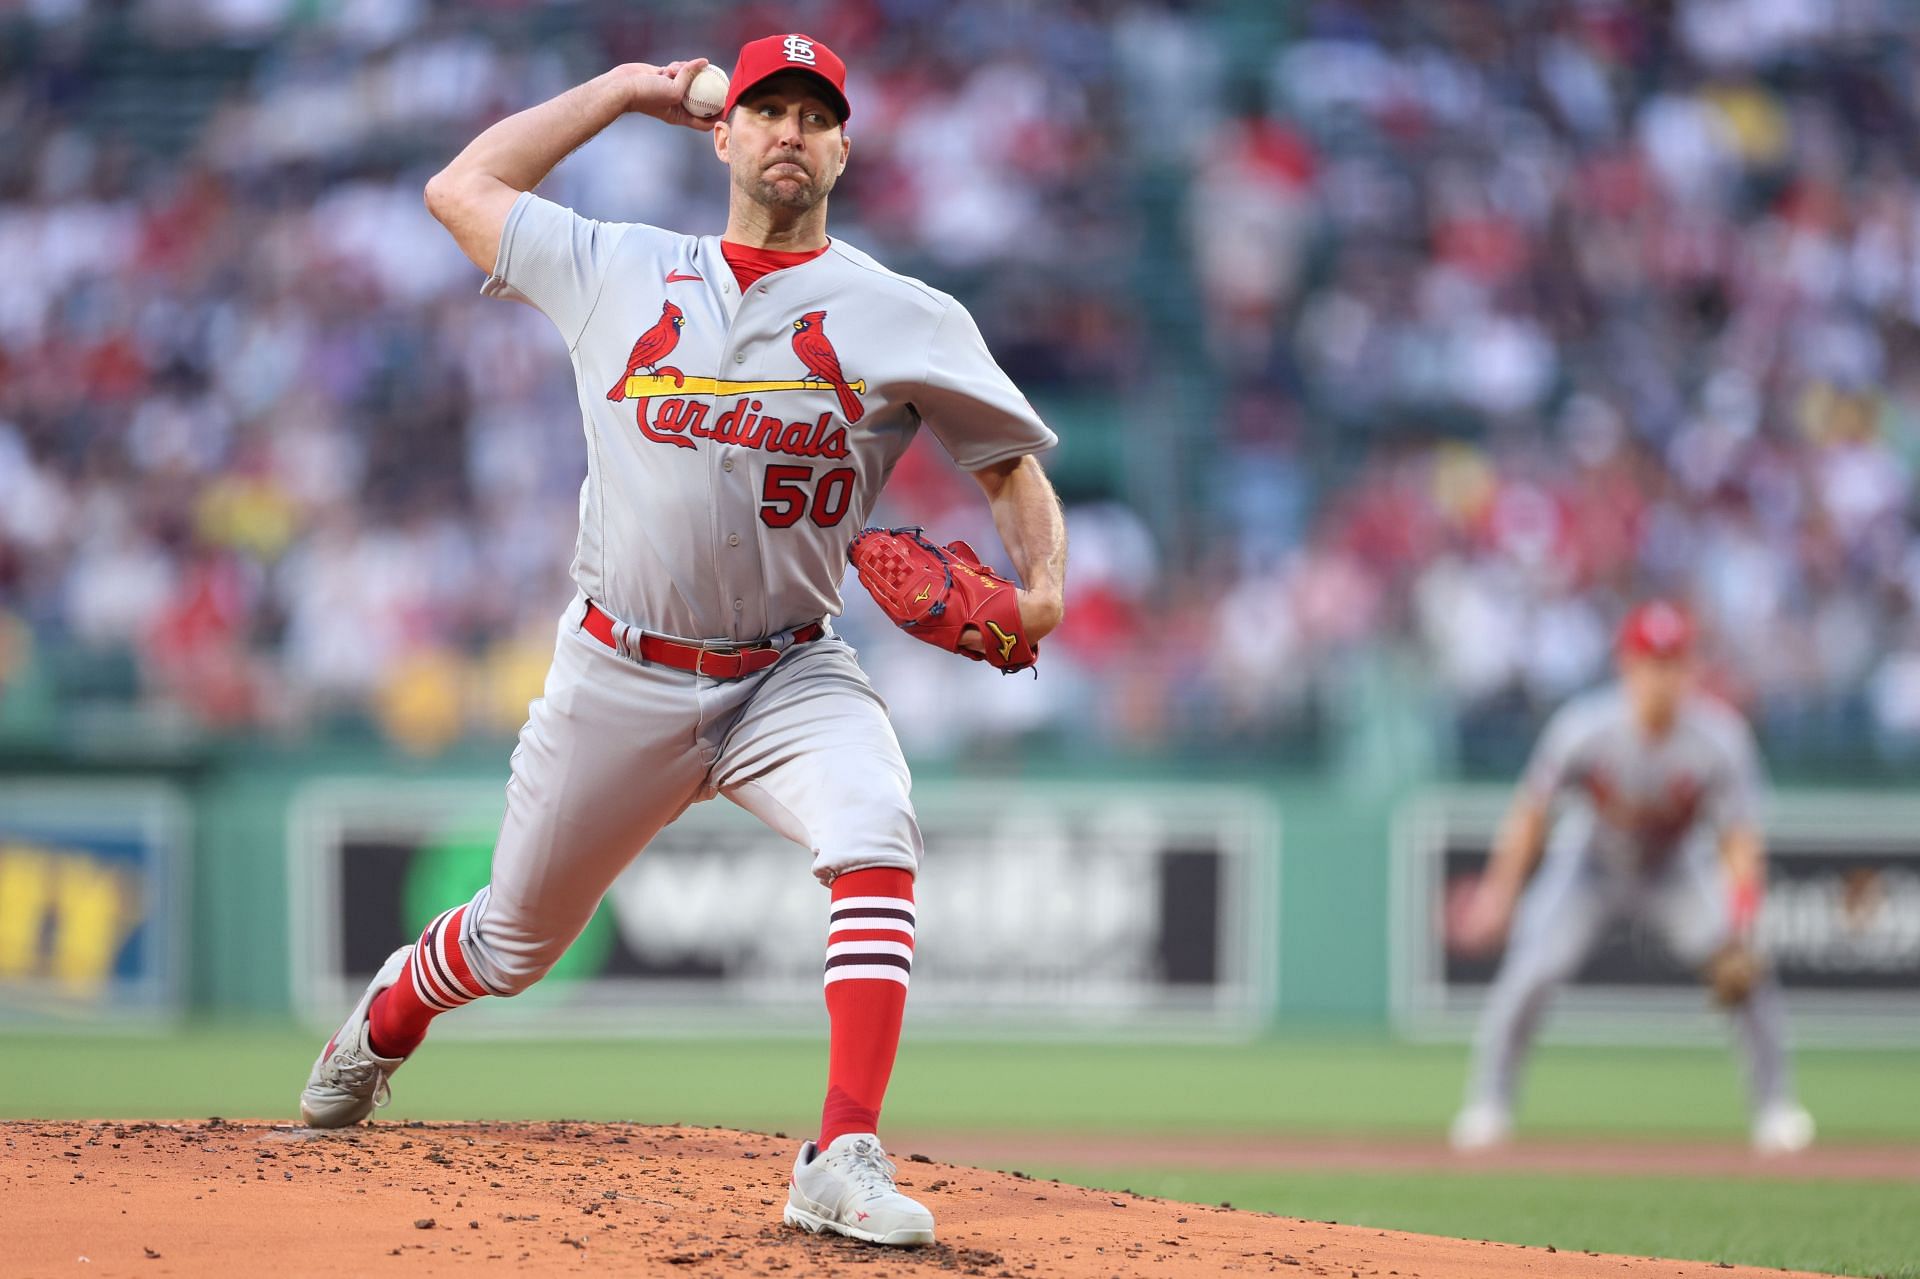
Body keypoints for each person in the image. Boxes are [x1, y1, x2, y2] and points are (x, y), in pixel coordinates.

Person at [296, 33, 1068, 1249]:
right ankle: (388, 1015)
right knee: (508, 943)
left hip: (788, 670)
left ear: (844, 150)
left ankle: (841, 1151)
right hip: (620, 668)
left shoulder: (905, 315)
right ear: (723, 132)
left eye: (816, 117)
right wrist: (619, 91)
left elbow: (1010, 463)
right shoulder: (618, 265)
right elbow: (459, 189)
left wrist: (1043, 593)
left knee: (876, 826)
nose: (790, 133)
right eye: (768, 109)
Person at [1449, 601, 1814, 1155]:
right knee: (1531, 974)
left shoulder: (1720, 737)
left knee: (1748, 973)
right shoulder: (1583, 728)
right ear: (1627, 664)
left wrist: (1741, 922)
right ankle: (1488, 1104)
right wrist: (1501, 894)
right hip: (1589, 866)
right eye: (1651, 661)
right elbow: (1531, 815)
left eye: (1674, 661)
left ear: (1692, 667)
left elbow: (1740, 840)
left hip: (1676, 870)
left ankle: (1775, 1108)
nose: (1662, 676)